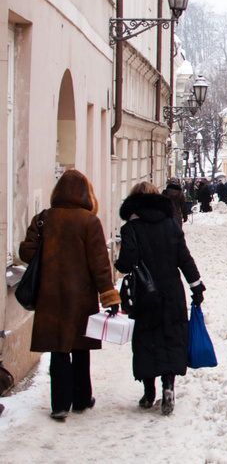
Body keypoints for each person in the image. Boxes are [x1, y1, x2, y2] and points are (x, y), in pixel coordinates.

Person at [18, 169, 121, 421]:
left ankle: (60, 405)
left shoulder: (43, 218)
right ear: (86, 193)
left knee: (58, 349)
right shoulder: (89, 221)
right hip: (81, 296)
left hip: (50, 295)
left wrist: (49, 255)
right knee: (80, 347)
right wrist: (108, 294)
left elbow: (26, 252)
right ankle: (82, 400)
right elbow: (99, 262)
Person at [115, 182, 204, 416]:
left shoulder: (131, 228)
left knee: (147, 339)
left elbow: (126, 263)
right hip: (172, 290)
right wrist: (196, 285)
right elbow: (184, 258)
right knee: (171, 336)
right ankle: (168, 387)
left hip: (145, 293)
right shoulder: (170, 225)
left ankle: (148, 393)